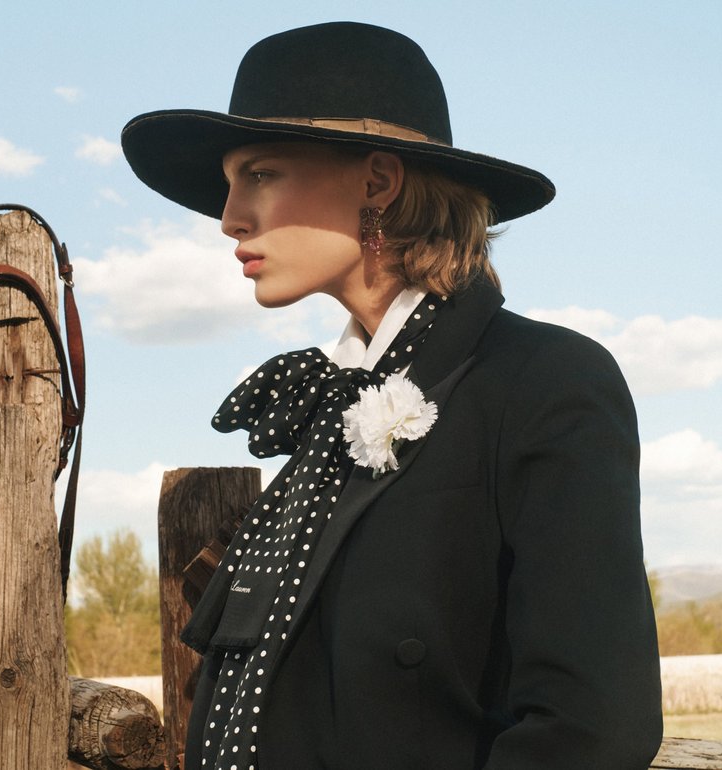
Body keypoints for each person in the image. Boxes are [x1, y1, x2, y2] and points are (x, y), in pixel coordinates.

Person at [122, 21, 663, 770]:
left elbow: (590, 730)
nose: (229, 218)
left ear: (377, 182)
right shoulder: (328, 409)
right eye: (230, 182)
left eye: (261, 173)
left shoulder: (542, 380)